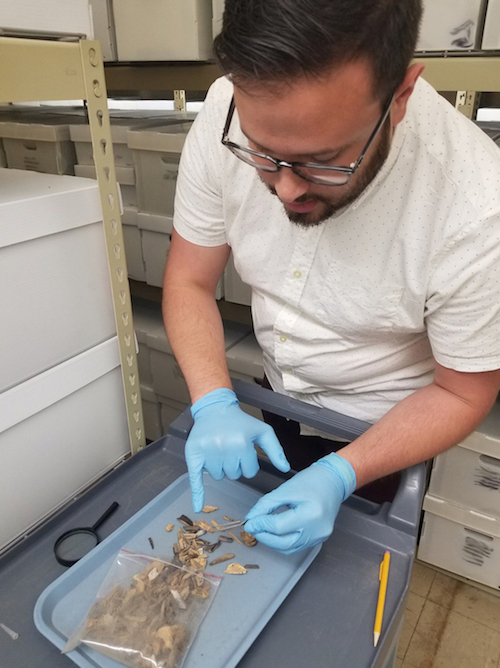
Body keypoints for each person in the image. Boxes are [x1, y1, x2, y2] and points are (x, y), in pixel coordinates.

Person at [163, 0, 500, 554]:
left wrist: (342, 473)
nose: (288, 190)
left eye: (323, 160)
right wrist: (212, 401)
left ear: (400, 96)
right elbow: (189, 280)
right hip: (277, 399)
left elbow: (463, 392)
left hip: (384, 432)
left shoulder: (475, 208)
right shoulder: (228, 110)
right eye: (263, 154)